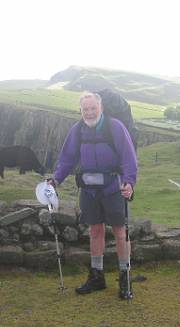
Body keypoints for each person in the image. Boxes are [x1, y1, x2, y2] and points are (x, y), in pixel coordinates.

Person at [47, 91, 138, 299]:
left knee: (120, 233)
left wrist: (129, 182)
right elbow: (67, 158)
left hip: (114, 188)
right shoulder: (77, 131)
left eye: (93, 108)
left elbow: (128, 157)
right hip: (88, 190)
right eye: (85, 109)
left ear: (101, 108)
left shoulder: (115, 127)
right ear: (80, 111)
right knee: (95, 231)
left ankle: (125, 277)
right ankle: (97, 276)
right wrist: (56, 179)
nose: (89, 113)